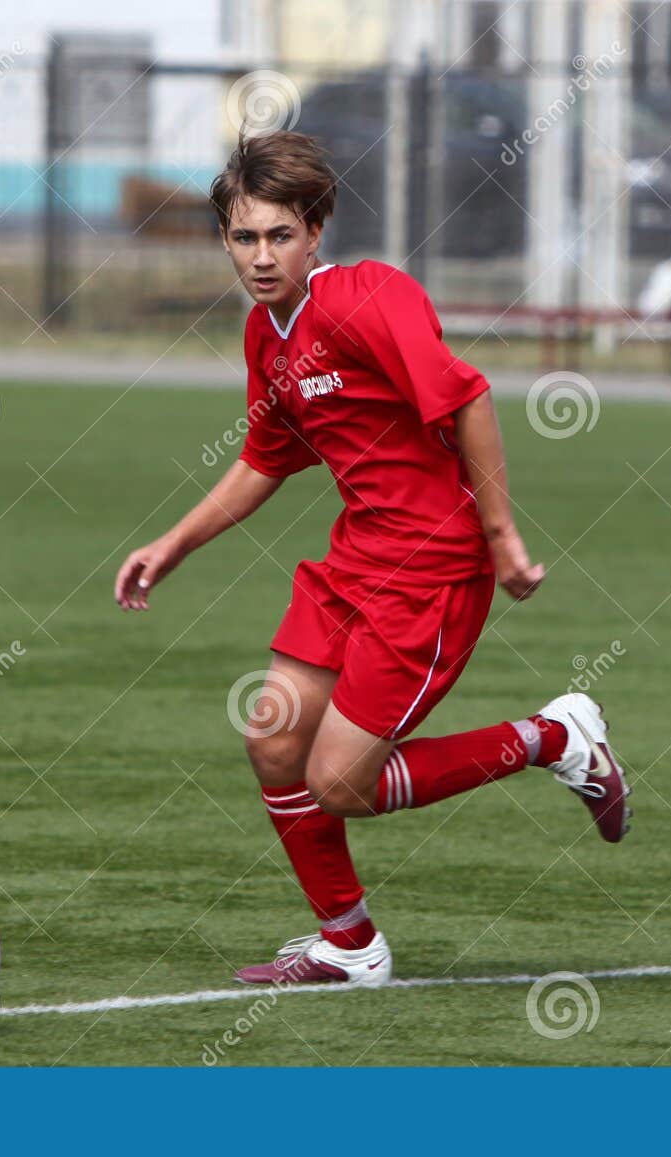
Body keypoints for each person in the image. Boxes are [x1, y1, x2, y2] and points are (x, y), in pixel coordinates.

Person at [114, 132, 630, 988]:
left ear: (316, 231)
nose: (261, 256)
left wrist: (501, 537)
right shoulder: (264, 336)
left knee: (341, 781)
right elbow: (266, 458)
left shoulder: (366, 298)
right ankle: (349, 943)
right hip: (356, 560)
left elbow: (468, 397)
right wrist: (173, 544)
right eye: (244, 238)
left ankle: (553, 737)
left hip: (432, 570)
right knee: (274, 737)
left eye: (281, 234)